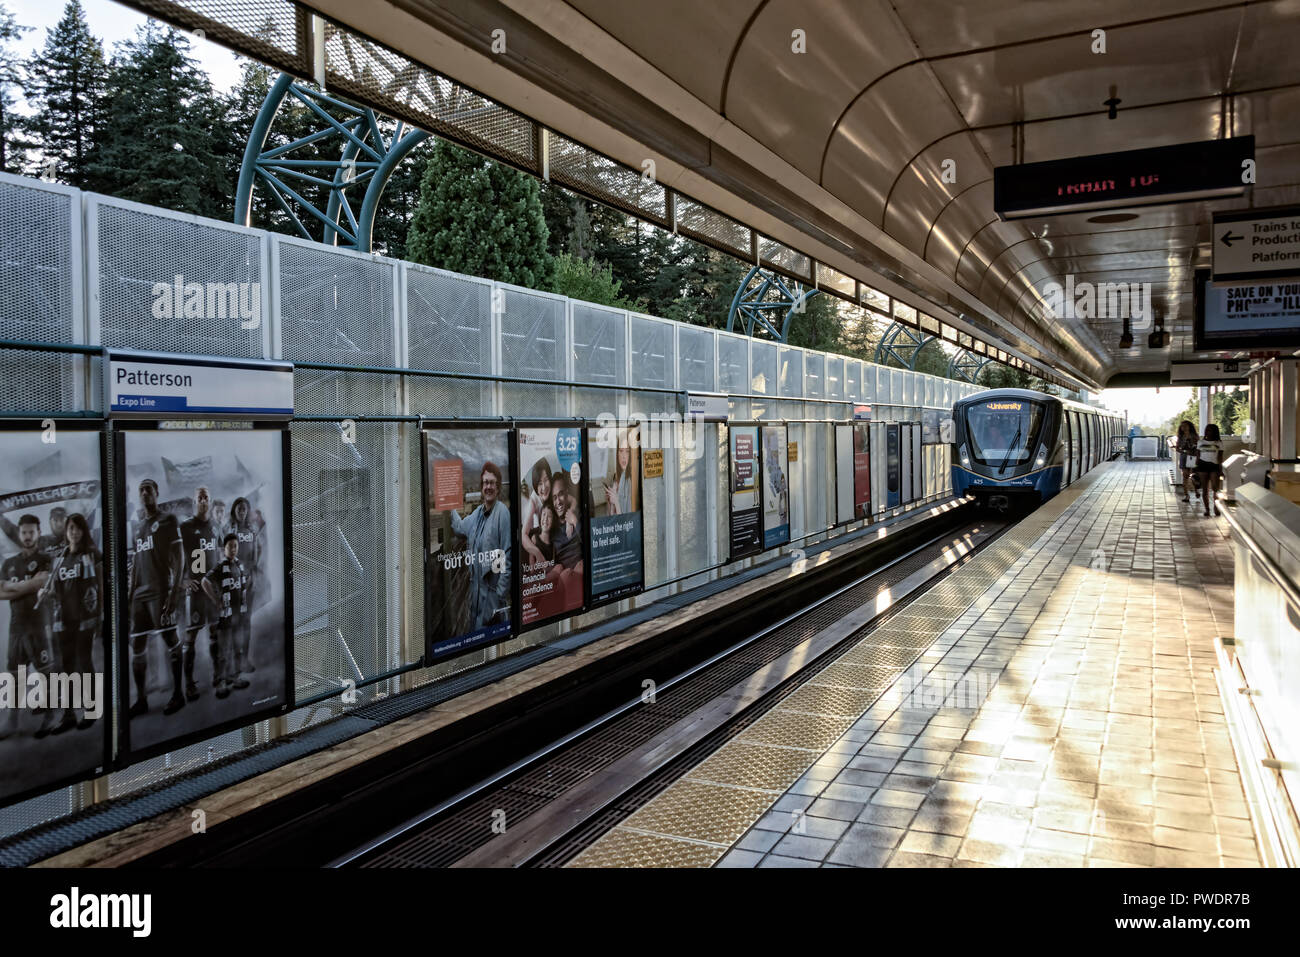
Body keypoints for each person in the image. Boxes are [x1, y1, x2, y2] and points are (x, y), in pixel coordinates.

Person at [127, 478, 186, 718]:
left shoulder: (167, 520)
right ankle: (141, 699)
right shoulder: (139, 526)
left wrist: (174, 594)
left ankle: (178, 694)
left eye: (148, 490)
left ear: (156, 493)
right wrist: (130, 595)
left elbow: (179, 558)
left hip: (160, 590)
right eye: (141, 490)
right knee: (138, 645)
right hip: (139, 595)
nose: (144, 494)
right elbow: (135, 565)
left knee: (170, 637)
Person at [41, 512, 102, 732]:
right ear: (65, 533)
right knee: (66, 667)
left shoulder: (93, 554)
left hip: (85, 618)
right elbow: (54, 590)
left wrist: (101, 617)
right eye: (70, 528)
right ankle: (68, 715)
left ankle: (91, 709)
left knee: (84, 663)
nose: (73, 532)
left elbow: (101, 587)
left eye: (77, 528)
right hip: (64, 620)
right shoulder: (60, 558)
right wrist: (45, 594)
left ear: (84, 531)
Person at [0, 515, 53, 739]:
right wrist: (28, 585)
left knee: (45, 674)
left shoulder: (45, 559)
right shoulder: (9, 563)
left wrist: (15, 587)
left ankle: (49, 717)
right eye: (24, 532)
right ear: (19, 534)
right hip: (16, 628)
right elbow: (0, 592)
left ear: (38, 533)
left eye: (32, 532)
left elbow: (43, 582)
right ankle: (12, 721)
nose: (28, 536)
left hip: (37, 625)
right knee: (14, 675)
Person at [450, 461, 511, 629]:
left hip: (492, 599)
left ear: (498, 487)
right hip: (476, 598)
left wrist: (498, 596)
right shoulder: (477, 513)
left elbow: (508, 556)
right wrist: (449, 503)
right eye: (485, 483)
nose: (488, 487)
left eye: (492, 483)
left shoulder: (502, 514)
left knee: (494, 638)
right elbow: (459, 527)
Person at [179, 487, 219, 701]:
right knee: (191, 634)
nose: (203, 500)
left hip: (211, 589)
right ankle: (188, 684)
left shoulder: (215, 527)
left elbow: (220, 556)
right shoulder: (185, 527)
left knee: (215, 630)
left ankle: (217, 675)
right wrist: (182, 580)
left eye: (206, 497)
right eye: (199, 498)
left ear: (210, 501)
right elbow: (173, 556)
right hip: (195, 591)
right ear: (194, 502)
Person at [201, 533, 251, 699]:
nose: (233, 549)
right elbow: (204, 581)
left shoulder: (239, 565)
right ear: (224, 549)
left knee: (238, 649)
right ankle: (221, 682)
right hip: (226, 617)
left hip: (239, 616)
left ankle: (234, 677)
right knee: (224, 651)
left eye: (235, 546)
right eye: (230, 546)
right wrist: (216, 600)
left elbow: (244, 585)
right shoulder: (220, 566)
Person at [227, 497, 260, 679]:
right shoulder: (229, 530)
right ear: (234, 510)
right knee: (234, 622)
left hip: (248, 583)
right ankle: (234, 660)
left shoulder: (251, 531)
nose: (242, 512)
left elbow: (254, 559)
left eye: (244, 509)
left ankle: (244, 660)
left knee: (246, 622)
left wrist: (251, 578)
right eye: (239, 508)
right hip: (232, 583)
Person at [520, 460, 552, 566]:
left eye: (546, 480)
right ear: (535, 485)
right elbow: (524, 535)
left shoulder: (553, 490)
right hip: (541, 532)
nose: (543, 488)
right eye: (539, 483)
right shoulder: (533, 500)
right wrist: (537, 553)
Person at [1195, 424, 1225, 517]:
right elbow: (1198, 456)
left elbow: (1220, 457)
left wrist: (1221, 469)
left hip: (1214, 466)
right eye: (1207, 430)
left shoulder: (1218, 443)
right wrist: (1195, 468)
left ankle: (1216, 507)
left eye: (1210, 430)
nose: (1208, 432)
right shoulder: (1200, 442)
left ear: (1215, 432)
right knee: (1205, 489)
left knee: (1215, 488)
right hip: (1202, 466)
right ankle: (1207, 509)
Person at [604, 440, 633, 515]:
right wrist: (609, 501)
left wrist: (616, 502)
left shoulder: (630, 480)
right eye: (621, 451)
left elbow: (628, 519)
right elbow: (609, 516)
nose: (624, 456)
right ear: (617, 454)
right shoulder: (614, 478)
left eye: (627, 451)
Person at [1175, 420, 1199, 502]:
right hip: (1184, 457)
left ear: (1189, 426)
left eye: (1185, 426)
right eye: (1182, 426)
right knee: (1185, 476)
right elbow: (1177, 448)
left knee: (1193, 476)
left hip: (1192, 457)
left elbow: (1198, 447)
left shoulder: (1194, 436)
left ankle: (1196, 490)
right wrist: (1184, 451)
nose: (1183, 428)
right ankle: (1186, 495)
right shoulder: (1180, 437)